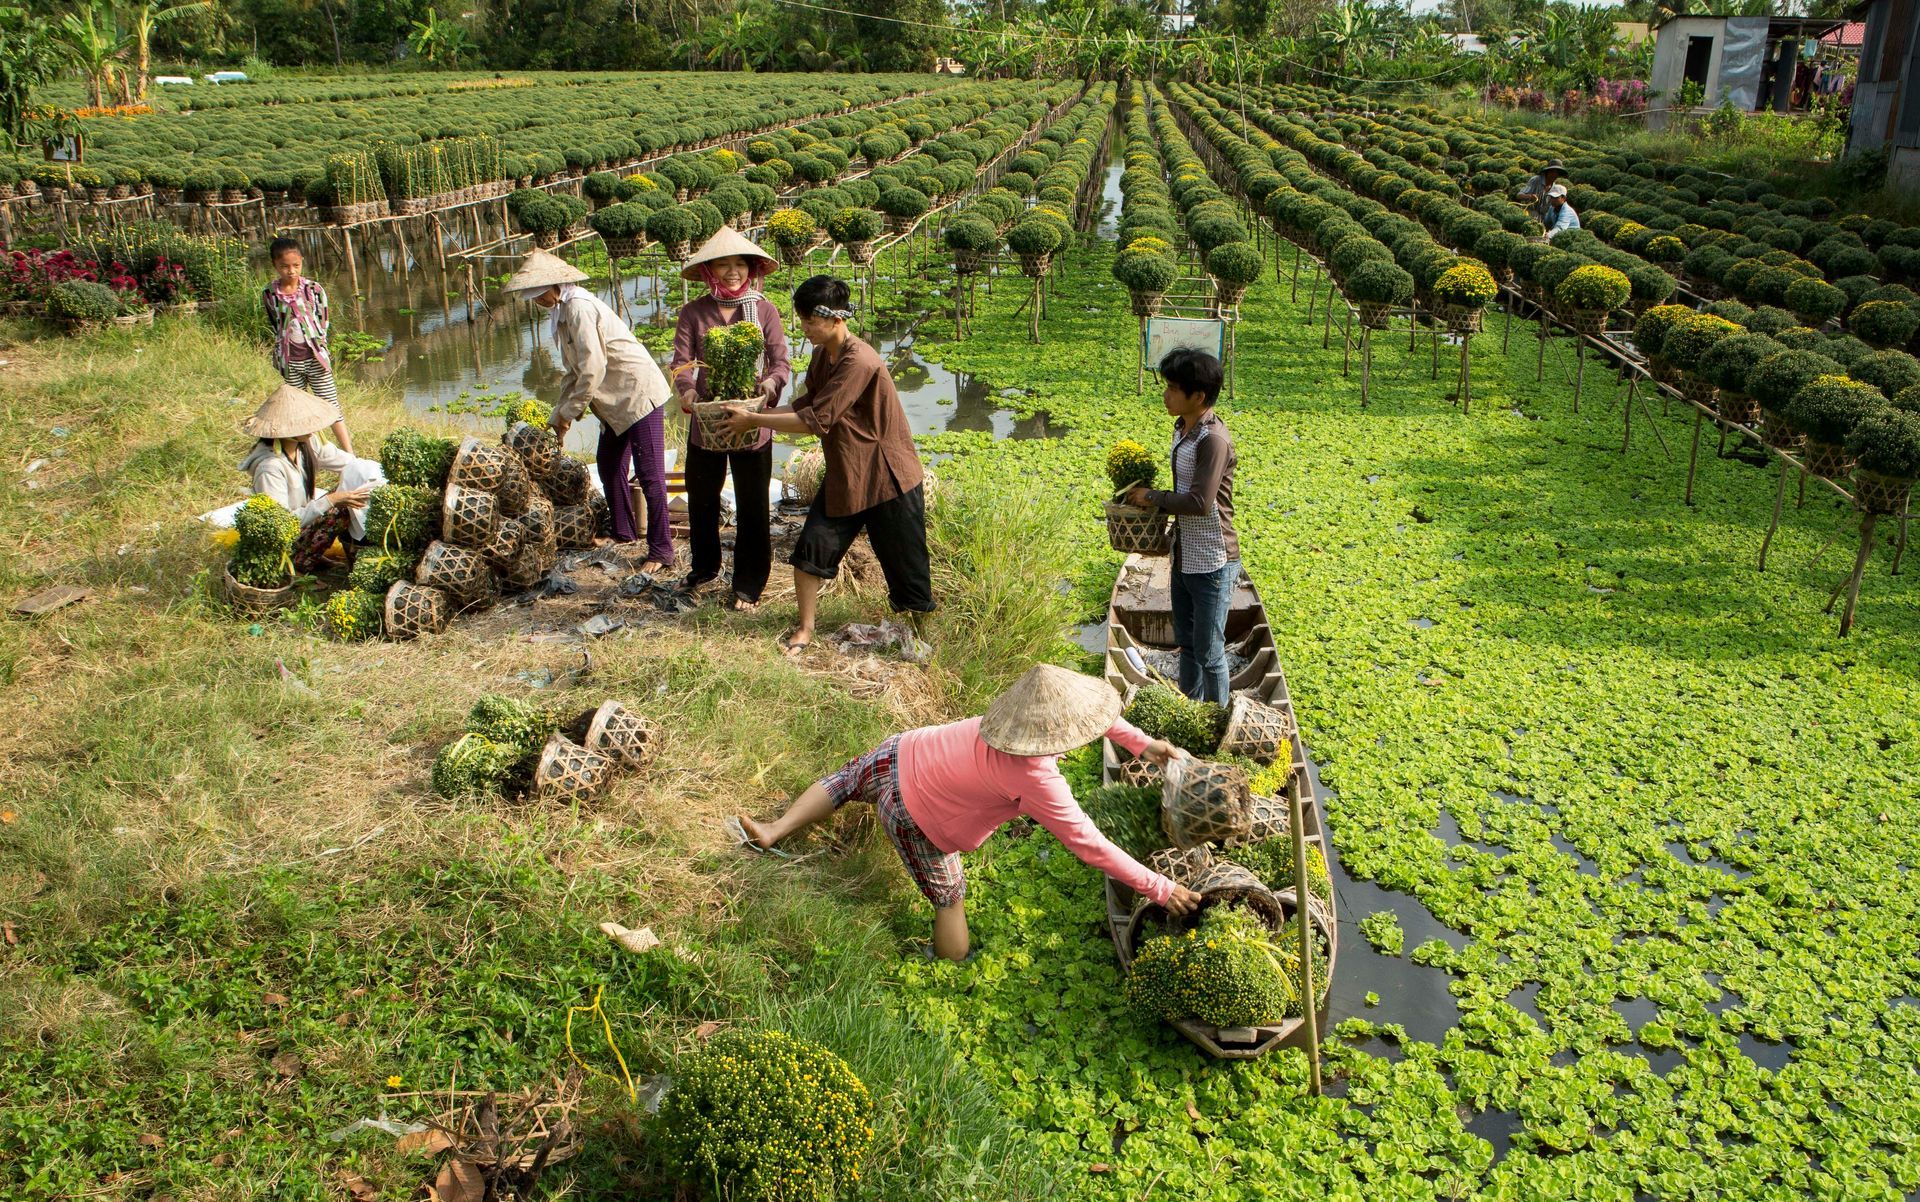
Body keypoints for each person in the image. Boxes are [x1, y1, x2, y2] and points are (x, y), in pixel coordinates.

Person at [733, 664, 1205, 961]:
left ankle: (774, 830)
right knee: (950, 897)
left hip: (903, 749)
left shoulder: (1013, 714)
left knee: (844, 781)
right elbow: (1090, 845)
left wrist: (1147, 745)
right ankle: (951, 971)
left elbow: (1094, 717)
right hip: (912, 812)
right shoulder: (1037, 779)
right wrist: (1161, 888)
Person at [718, 275, 932, 657]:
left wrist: (754, 421)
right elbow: (804, 406)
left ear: (834, 319)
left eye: (809, 321)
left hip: (888, 477)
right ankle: (805, 629)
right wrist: (758, 410)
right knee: (810, 551)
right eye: (800, 320)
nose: (804, 328)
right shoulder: (821, 356)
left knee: (908, 571)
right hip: (848, 472)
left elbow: (817, 420)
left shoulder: (860, 359)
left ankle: (918, 638)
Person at [505, 249, 674, 574]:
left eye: (538, 294)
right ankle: (623, 534)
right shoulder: (562, 312)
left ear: (555, 286)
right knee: (609, 465)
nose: (536, 301)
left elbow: (593, 369)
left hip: (637, 393)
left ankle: (661, 549)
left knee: (650, 475)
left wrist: (571, 412)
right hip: (613, 402)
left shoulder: (579, 307)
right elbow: (573, 371)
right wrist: (558, 416)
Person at [669, 227, 791, 612]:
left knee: (752, 506)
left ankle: (748, 585)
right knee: (701, 501)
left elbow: (780, 362)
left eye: (740, 264)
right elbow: (680, 363)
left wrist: (769, 388)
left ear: (751, 269)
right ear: (710, 271)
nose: (733, 272)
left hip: (752, 423)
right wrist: (687, 391)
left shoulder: (764, 310)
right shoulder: (693, 312)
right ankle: (703, 571)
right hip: (706, 424)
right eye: (724, 265)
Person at [1124, 348, 1240, 705]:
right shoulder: (1182, 429)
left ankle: (1219, 721)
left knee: (1210, 652)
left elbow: (1199, 503)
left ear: (1198, 396)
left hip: (1213, 562)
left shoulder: (1213, 440)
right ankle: (1191, 710)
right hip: (1184, 554)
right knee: (1187, 644)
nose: (1166, 395)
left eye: (1174, 388)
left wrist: (1153, 497)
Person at [238, 382, 373, 573]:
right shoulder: (270, 468)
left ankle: (312, 556)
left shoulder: (307, 444)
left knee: (348, 492)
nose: (311, 427)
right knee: (337, 509)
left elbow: (348, 463)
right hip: (284, 536)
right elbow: (280, 523)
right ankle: (298, 566)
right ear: (287, 430)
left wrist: (372, 471)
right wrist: (332, 500)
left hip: (301, 524)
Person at [262, 237, 352, 455]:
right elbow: (274, 322)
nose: (291, 271)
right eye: (284, 266)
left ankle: (350, 454)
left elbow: (324, 320)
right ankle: (308, 454)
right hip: (291, 361)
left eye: (296, 265)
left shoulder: (313, 289)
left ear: (302, 262)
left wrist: (319, 345)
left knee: (331, 406)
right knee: (297, 412)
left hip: (315, 359)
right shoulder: (270, 293)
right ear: (275, 265)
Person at [1516, 160, 1568, 231]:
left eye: (1557, 173)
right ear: (1548, 171)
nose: (1554, 175)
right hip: (1528, 215)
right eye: (1552, 172)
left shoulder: (1554, 188)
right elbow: (1519, 195)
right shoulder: (1535, 180)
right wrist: (1530, 197)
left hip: (1542, 221)